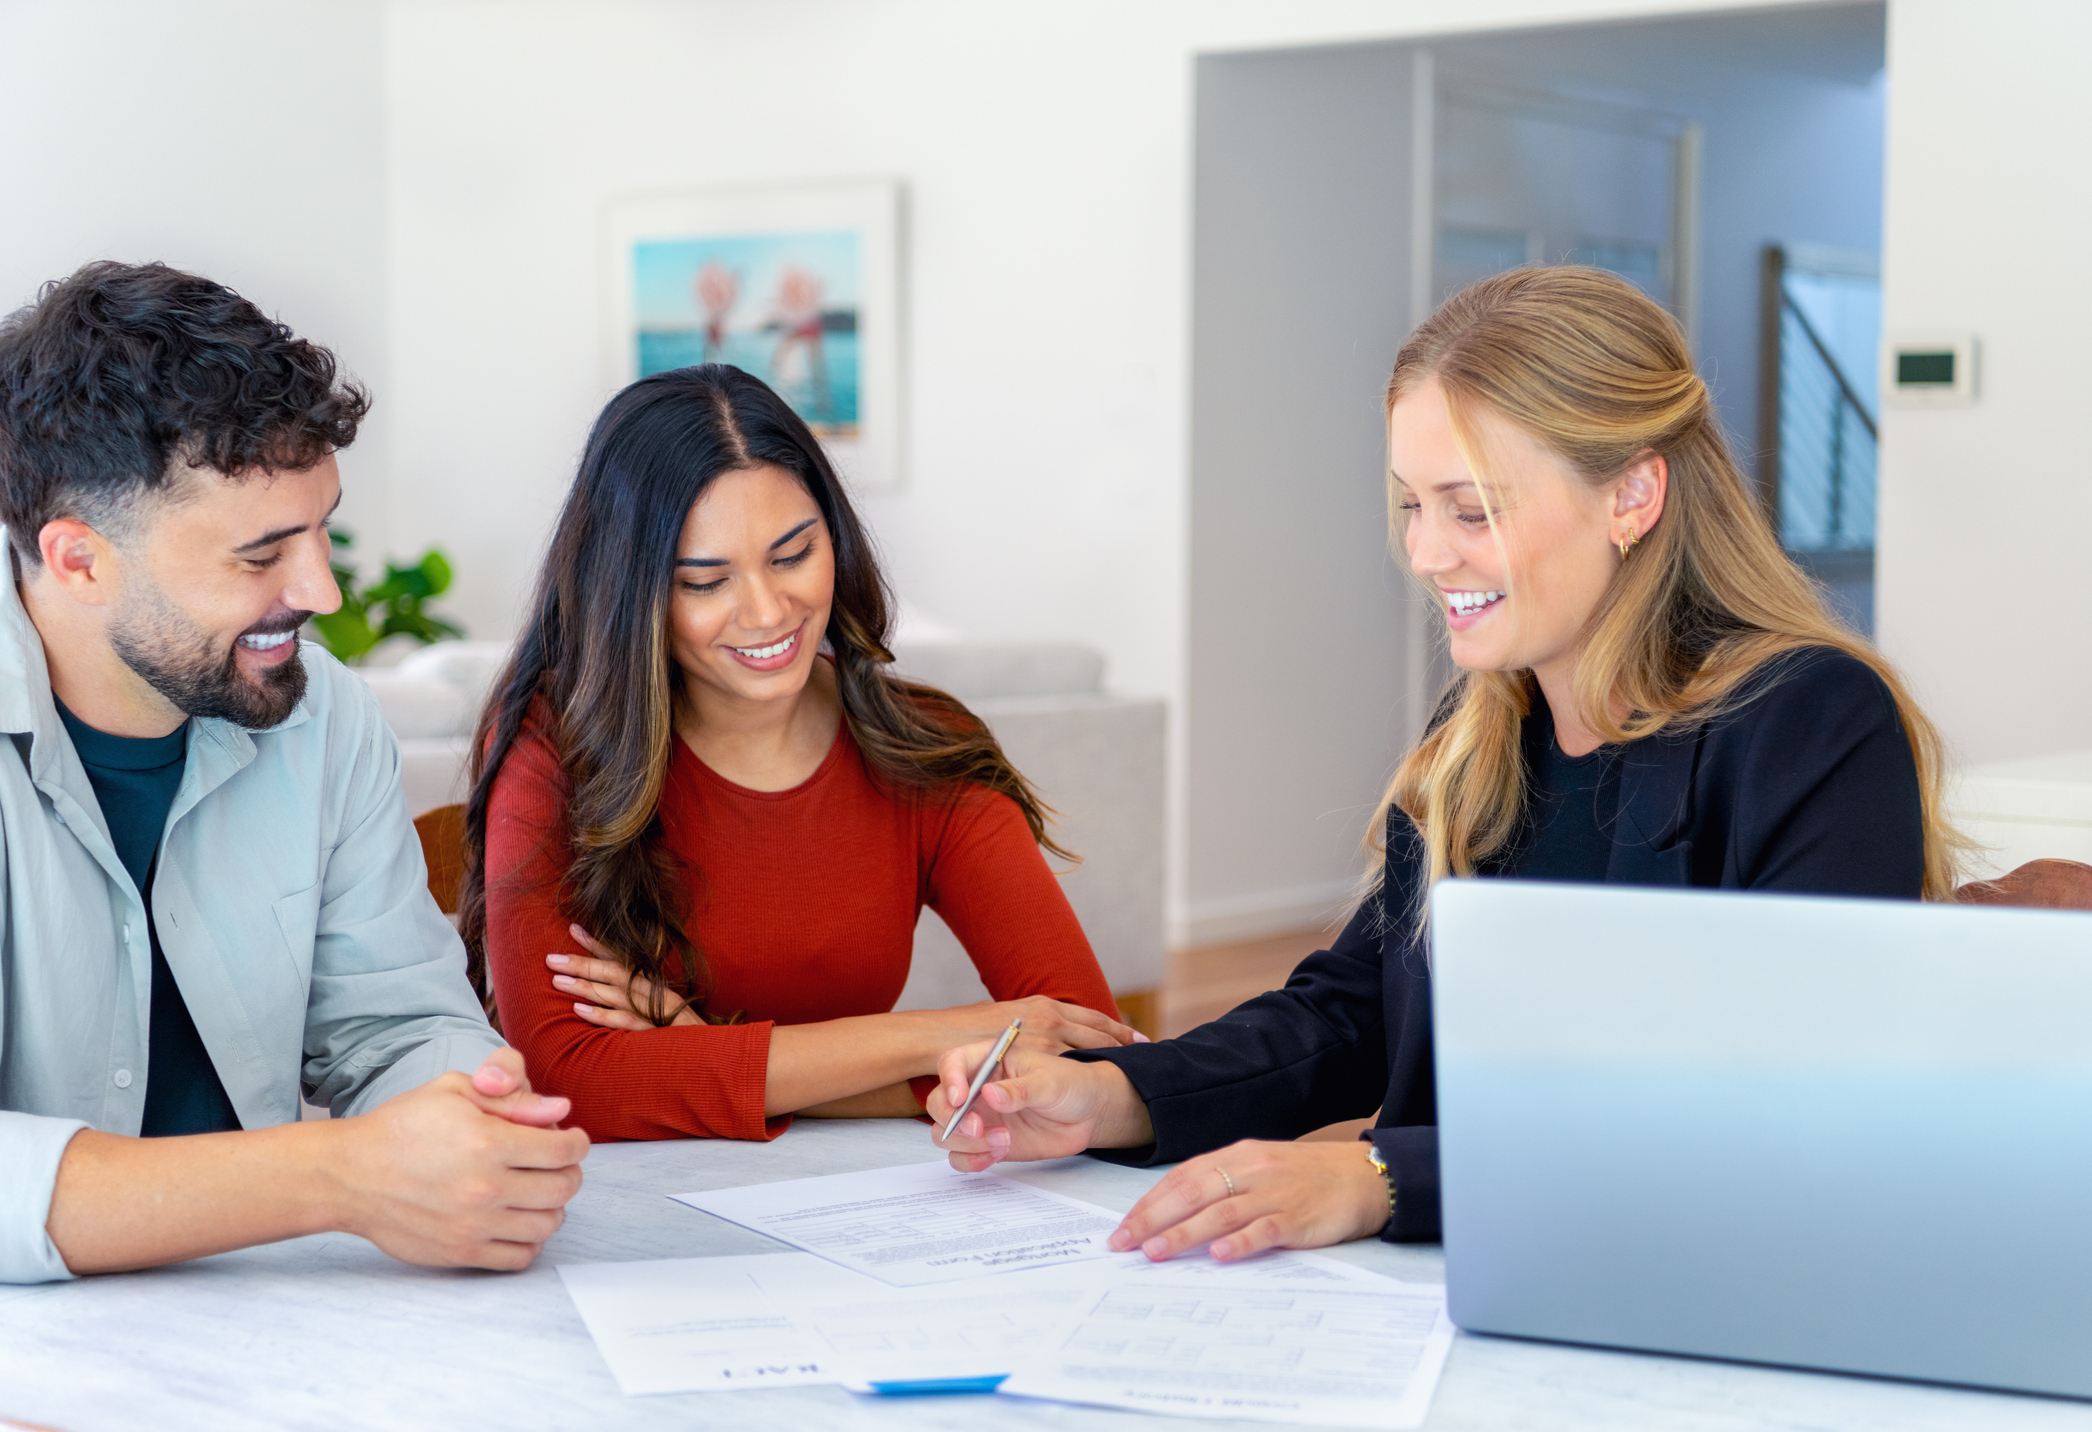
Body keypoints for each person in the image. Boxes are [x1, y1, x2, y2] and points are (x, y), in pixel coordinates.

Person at [929, 265, 1964, 1261]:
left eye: (1472, 510)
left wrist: (1379, 1178)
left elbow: (1771, 1097)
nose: (1425, 554)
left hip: (1678, 1293)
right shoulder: (1481, 728)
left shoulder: (1813, 722)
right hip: (1443, 1293)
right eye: (1412, 504)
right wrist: (1113, 1092)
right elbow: (1350, 1012)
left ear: (1632, 496)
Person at [0, 262, 588, 1285]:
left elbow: (397, 1023)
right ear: (81, 560)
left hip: (268, 1332)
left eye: (321, 530)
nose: (317, 589)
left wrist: (479, 1124)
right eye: (260, 554)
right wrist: (339, 1177)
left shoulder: (328, 718)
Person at [465, 363, 1138, 1142]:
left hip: (852, 1209)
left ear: (834, 537)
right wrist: (943, 1036)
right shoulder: (555, 746)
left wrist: (697, 1049)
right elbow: (570, 1081)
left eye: (791, 556)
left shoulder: (925, 748)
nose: (767, 611)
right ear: (632, 593)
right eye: (706, 581)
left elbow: (1085, 1063)